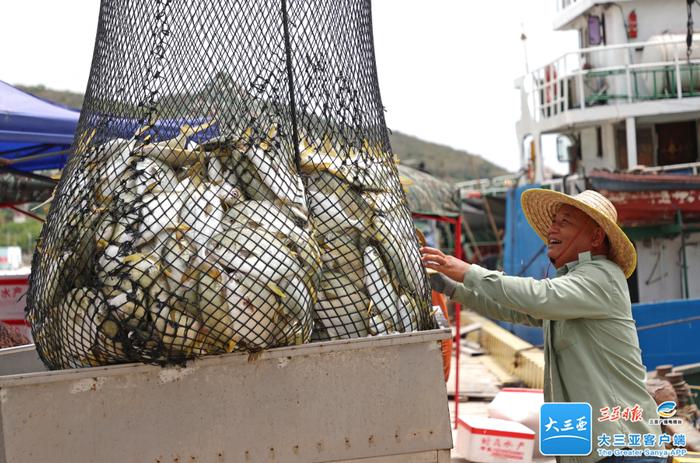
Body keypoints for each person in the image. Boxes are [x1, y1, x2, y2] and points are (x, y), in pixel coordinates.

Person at [422, 189, 665, 463]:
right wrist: (452, 288)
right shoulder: (572, 286)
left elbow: (538, 296)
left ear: (596, 237)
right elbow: (515, 309)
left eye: (566, 221)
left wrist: (468, 272)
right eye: (554, 221)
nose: (553, 228)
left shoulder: (602, 275)